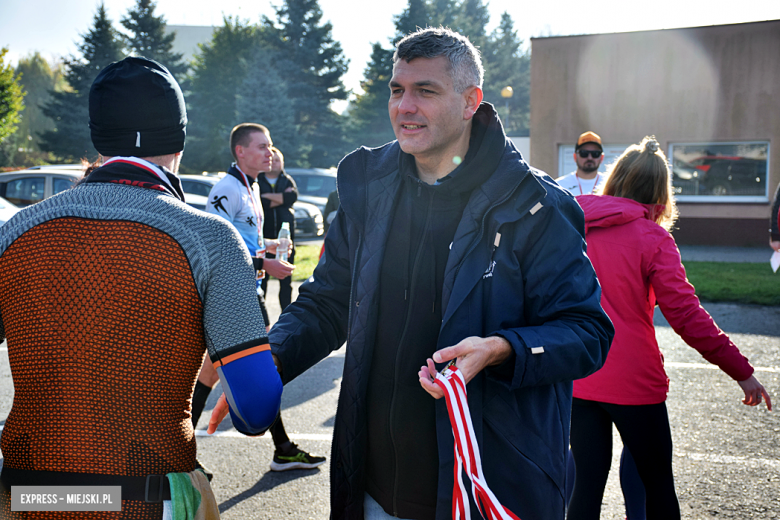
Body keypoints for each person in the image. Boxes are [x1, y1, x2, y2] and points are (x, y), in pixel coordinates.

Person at [210, 27, 614, 520]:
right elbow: (329, 300)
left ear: (470, 101)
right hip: (374, 490)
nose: (405, 107)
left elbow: (588, 331)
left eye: (425, 91)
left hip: (488, 489)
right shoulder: (368, 185)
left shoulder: (536, 205)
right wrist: (268, 359)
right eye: (397, 90)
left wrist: (502, 349)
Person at [0, 57, 282, 518]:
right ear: (179, 140)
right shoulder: (211, 238)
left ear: (98, 135)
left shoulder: (15, 231)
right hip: (147, 498)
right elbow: (256, 409)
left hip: (27, 496)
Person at [568, 136, 772, 520]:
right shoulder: (652, 237)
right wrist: (741, 371)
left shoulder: (574, 226)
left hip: (580, 373)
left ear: (614, 179)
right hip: (634, 381)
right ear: (660, 192)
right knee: (658, 484)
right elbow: (686, 316)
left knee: (586, 487)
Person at [194, 123, 325, 473]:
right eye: (262, 146)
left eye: (270, 146)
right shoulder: (226, 188)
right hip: (231, 293)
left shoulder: (250, 186)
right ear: (241, 151)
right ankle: (280, 448)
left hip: (246, 290)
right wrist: (264, 262)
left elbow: (242, 241)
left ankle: (183, 451)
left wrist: (268, 249)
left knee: (211, 372)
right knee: (261, 367)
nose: (270, 152)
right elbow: (215, 249)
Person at [259, 147, 299, 311]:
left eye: (278, 160)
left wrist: (268, 197)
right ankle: (261, 318)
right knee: (264, 282)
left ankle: (286, 315)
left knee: (286, 283)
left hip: (285, 241)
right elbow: (262, 204)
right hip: (265, 240)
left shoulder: (287, 180)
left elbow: (292, 197)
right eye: (272, 159)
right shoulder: (258, 181)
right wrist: (281, 198)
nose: (274, 163)